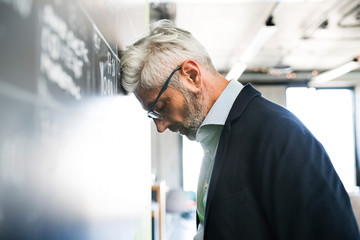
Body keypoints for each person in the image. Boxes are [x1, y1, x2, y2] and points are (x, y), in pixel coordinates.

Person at [120, 20, 360, 240]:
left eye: (160, 107)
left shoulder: (280, 135)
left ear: (191, 75)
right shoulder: (215, 140)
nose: (160, 126)